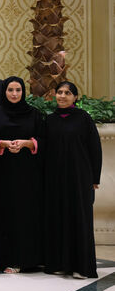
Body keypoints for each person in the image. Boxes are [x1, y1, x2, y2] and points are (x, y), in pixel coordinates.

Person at [43, 81, 102, 279]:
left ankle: (81, 266)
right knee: (58, 219)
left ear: (75, 97)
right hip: (56, 178)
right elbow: (44, 151)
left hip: (80, 178)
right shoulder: (50, 120)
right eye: (59, 92)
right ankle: (59, 264)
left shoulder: (83, 118)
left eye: (67, 93)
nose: (62, 96)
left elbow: (95, 149)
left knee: (80, 218)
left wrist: (95, 178)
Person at [0, 76, 45, 274]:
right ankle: (3, 259)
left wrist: (28, 143)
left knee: (25, 214)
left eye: (18, 90)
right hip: (1, 173)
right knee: (4, 213)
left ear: (23, 92)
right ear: (4, 91)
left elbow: (43, 140)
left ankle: (25, 259)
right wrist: (2, 144)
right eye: (10, 90)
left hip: (27, 174)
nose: (14, 94)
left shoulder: (34, 114)